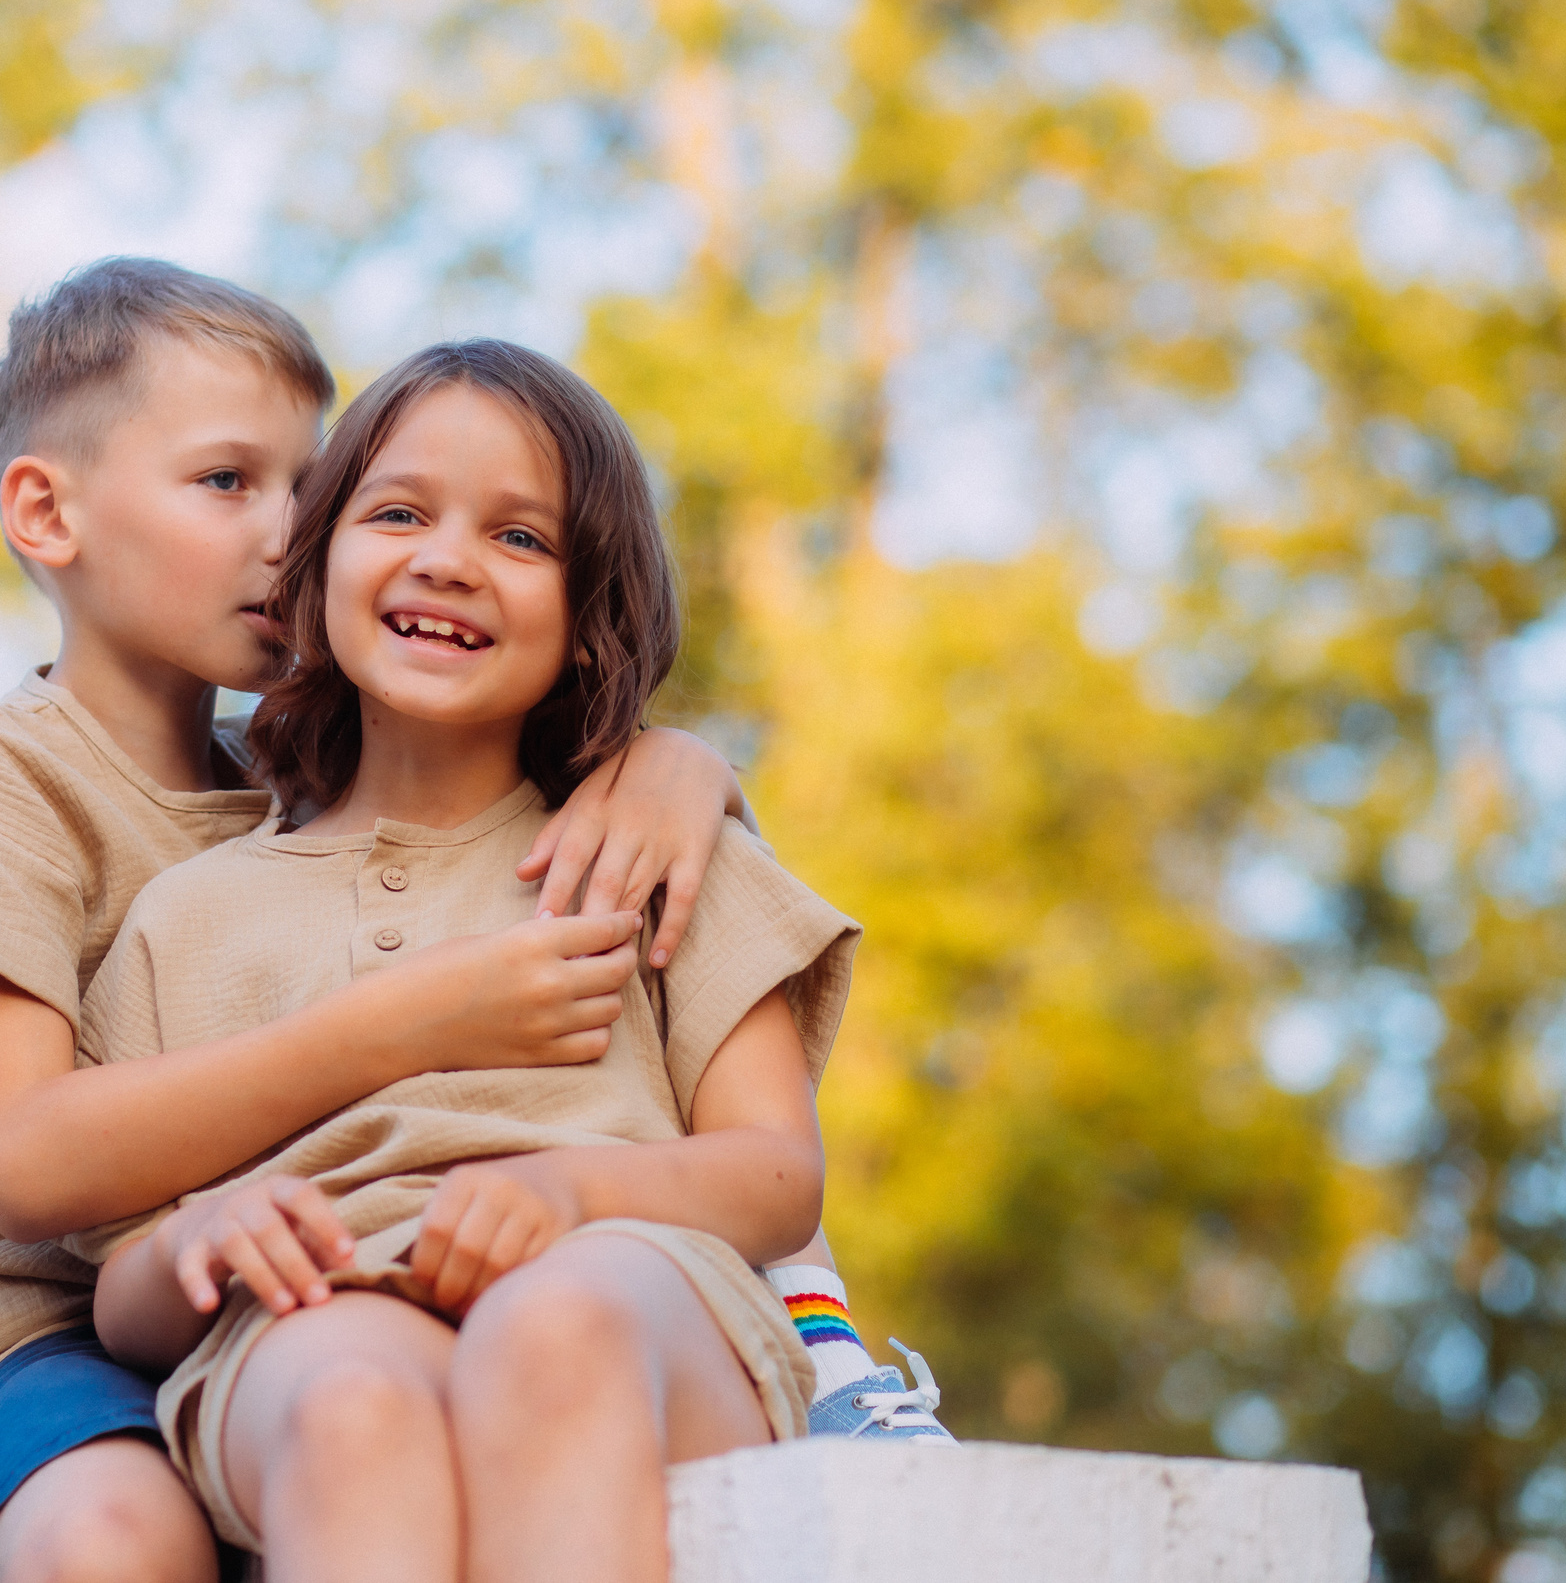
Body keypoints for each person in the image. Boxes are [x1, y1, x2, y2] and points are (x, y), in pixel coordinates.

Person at [0, 261, 762, 1583]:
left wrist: (679, 762)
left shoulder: (297, 786)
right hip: (37, 1326)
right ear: (45, 506)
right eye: (227, 483)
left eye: (309, 490)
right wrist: (398, 1025)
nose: (284, 532)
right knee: (116, 1537)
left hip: (291, 1289)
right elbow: (29, 1160)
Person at [67, 339, 948, 1583]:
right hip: (324, 1316)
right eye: (399, 512)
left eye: (520, 539)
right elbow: (122, 1301)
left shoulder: (658, 856)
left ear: (591, 623)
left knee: (555, 1327)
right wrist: (202, 1241)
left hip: (635, 1292)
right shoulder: (184, 917)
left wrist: (571, 1198)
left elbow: (775, 1176)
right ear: (309, 571)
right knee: (350, 1404)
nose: (447, 559)